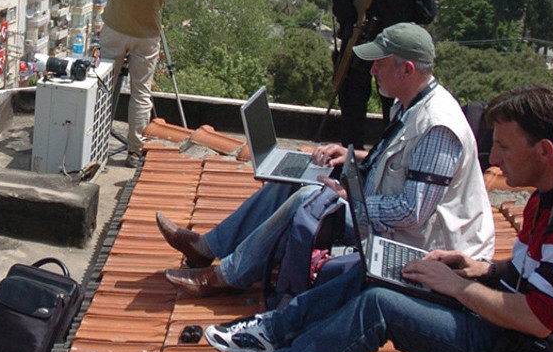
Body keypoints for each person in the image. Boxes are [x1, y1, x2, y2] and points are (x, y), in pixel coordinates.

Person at [193, 85, 553, 352]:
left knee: (381, 305)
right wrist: (479, 269)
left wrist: (458, 288)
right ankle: (273, 332)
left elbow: (538, 320)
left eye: (503, 146)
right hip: (513, 329)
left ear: (544, 150)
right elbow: (531, 276)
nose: (494, 158)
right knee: (382, 269)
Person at [160, 23, 493, 297]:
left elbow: (411, 213)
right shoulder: (411, 103)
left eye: (380, 63)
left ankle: (225, 276)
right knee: (296, 180)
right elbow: (403, 163)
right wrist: (351, 156)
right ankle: (206, 247)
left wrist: (348, 199)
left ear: (407, 69)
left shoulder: (438, 125)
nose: (373, 70)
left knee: (310, 198)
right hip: (394, 219)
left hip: (425, 246)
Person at [94, 0, 194, 167]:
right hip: (147, 35)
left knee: (103, 88)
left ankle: (93, 144)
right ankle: (134, 151)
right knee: (140, 94)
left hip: (115, 27)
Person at [333, 0, 436, 148]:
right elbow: (427, 15)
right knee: (396, 112)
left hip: (357, 50)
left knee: (353, 113)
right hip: (398, 55)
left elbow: (340, 10)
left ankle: (349, 164)